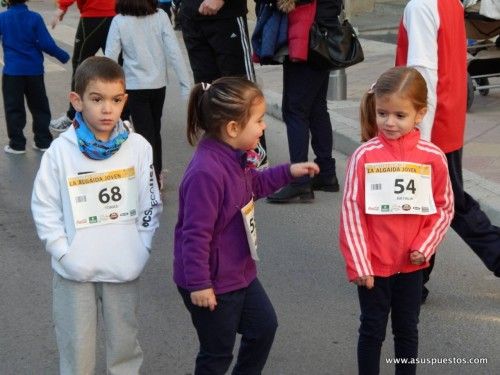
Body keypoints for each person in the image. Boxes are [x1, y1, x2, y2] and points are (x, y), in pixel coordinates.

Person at [173, 77, 319, 374]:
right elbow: (195, 235)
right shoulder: (207, 172)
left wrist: (290, 171)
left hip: (239, 272)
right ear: (232, 128)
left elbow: (254, 185)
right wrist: (200, 284)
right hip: (212, 280)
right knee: (216, 355)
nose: (264, 127)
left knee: (263, 327)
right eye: (259, 120)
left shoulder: (235, 156)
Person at [31, 56, 162, 374]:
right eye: (97, 99)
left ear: (125, 100)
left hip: (123, 268)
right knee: (77, 353)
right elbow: (44, 206)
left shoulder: (139, 147)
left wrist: (140, 249)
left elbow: (150, 203)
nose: (107, 109)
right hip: (74, 273)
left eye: (116, 100)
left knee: (124, 351)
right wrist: (64, 253)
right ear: (76, 101)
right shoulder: (61, 151)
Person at [339, 67, 454, 375]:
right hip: (374, 266)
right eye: (383, 113)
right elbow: (351, 211)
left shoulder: (433, 157)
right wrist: (360, 263)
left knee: (407, 330)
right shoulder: (364, 156)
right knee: (372, 330)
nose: (389, 122)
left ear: (420, 114)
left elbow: (444, 207)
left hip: (412, 265)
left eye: (400, 115)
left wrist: (425, 246)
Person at [396, 0, 500, 303]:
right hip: (447, 120)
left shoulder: (420, 6)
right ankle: (416, 281)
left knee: (437, 206)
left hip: (432, 126)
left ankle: (414, 282)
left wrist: (419, 140)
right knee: (439, 203)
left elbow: (422, 76)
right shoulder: (450, 2)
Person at [105, 0, 191, 189]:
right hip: (158, 85)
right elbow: (174, 52)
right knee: (153, 130)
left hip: (134, 85)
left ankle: (150, 175)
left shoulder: (119, 20)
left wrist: (107, 89)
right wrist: (186, 85)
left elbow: (111, 56)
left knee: (144, 133)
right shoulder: (160, 16)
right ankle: (155, 173)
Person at [266, 0, 342, 203]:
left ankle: (300, 181)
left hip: (308, 33)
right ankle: (326, 173)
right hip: (322, 31)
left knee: (295, 110)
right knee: (317, 108)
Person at [179, 0, 268, 169]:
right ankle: (220, 158)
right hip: (191, 15)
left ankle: (255, 161)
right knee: (209, 95)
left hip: (225, 15)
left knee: (242, 91)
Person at [0, 0, 69, 154]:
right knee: (39, 106)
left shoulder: (2, 18)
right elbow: (46, 43)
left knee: (13, 108)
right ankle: (43, 141)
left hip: (12, 72)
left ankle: (17, 144)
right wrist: (63, 56)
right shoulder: (35, 18)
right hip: (34, 71)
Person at [49, 0, 116, 132]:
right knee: (116, 65)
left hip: (94, 14)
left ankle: (73, 116)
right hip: (114, 14)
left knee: (80, 65)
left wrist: (63, 6)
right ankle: (121, 115)